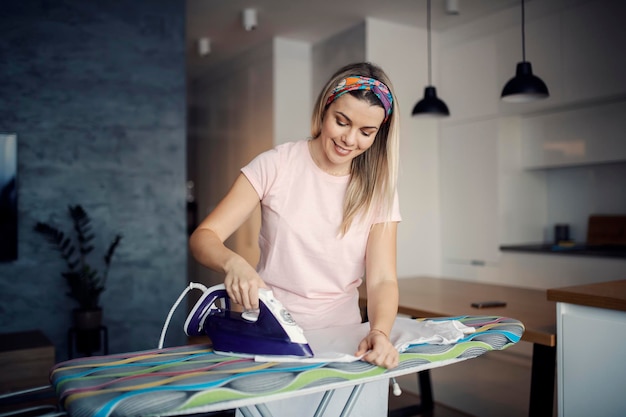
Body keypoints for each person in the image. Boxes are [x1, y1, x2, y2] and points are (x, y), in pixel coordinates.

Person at [189, 61, 402, 415]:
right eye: (342, 122)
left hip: (346, 341)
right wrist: (233, 263)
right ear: (324, 110)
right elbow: (204, 236)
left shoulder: (378, 189)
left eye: (366, 131)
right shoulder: (276, 164)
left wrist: (379, 331)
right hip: (272, 338)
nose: (350, 139)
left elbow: (382, 278)